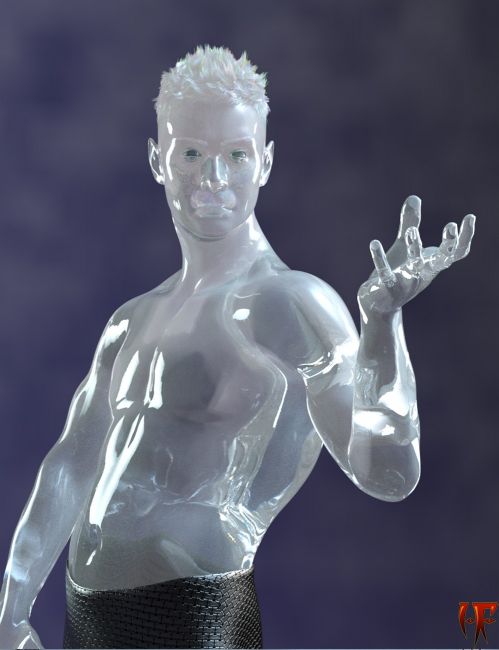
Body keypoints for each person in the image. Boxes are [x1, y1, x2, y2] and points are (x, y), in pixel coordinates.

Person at [0, 46, 475, 649]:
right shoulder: (130, 321)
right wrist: (12, 611)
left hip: (195, 617)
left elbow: (388, 473)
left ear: (265, 162)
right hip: (87, 619)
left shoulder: (291, 303)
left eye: (236, 154)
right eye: (192, 153)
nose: (214, 178)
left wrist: (381, 323)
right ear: (157, 159)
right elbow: (70, 462)